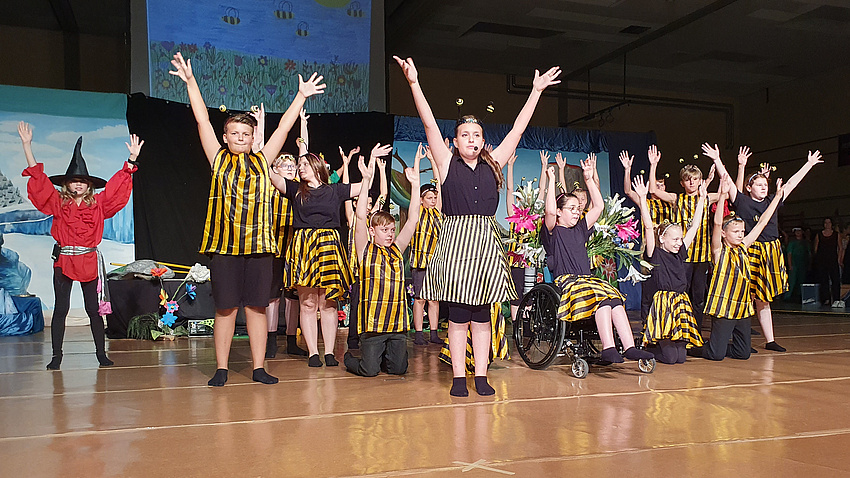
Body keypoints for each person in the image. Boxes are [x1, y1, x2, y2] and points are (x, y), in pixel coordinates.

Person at [394, 55, 561, 397]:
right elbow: (428, 123)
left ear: (483, 141)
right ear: (455, 141)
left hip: (485, 242)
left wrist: (535, 92)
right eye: (464, 135)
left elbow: (517, 130)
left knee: (483, 316)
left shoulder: (494, 163)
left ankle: (481, 375)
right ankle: (459, 377)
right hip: (456, 241)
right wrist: (414, 83)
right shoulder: (446, 163)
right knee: (458, 316)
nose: (471, 139)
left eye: (476, 135)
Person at [170, 51, 325, 385]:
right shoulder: (217, 158)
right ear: (225, 136)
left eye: (246, 134)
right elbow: (201, 120)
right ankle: (222, 368)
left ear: (254, 137)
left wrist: (300, 96)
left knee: (256, 307)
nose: (240, 138)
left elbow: (283, 128)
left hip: (259, 246)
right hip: (225, 246)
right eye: (234, 133)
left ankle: (258, 367)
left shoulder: (263, 159)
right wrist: (191, 82)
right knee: (225, 308)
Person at [18, 121, 141, 370]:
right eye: (74, 181)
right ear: (66, 184)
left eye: (82, 181)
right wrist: (27, 146)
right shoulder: (57, 203)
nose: (78, 185)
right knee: (61, 309)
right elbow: (39, 181)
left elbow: (117, 189)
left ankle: (101, 354)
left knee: (93, 310)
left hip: (87, 261)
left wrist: (131, 160)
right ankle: (56, 356)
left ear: (89, 185)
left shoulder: (98, 204)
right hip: (64, 261)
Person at [703, 144, 823, 350]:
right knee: (741, 294)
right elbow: (727, 180)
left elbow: (791, 183)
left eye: (765, 184)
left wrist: (809, 164)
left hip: (771, 251)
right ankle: (738, 339)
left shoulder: (771, 200)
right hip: (748, 251)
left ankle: (770, 340)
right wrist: (717, 159)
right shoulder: (741, 200)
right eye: (759, 185)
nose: (764, 187)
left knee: (763, 298)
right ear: (749, 187)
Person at [542, 158, 654, 364]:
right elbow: (549, 211)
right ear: (559, 212)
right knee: (601, 297)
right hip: (568, 282)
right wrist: (550, 180)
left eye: (578, 208)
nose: (577, 211)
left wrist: (589, 179)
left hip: (587, 281)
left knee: (615, 299)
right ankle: (608, 348)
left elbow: (599, 206)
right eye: (571, 208)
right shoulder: (553, 231)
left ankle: (629, 347)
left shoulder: (580, 229)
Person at [343, 145, 420, 376]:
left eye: (392, 230)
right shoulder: (365, 250)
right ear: (373, 231)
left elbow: (413, 219)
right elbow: (359, 216)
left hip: (396, 325)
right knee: (369, 371)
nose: (390, 234)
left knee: (399, 370)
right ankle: (349, 358)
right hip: (373, 325)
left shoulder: (396, 249)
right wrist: (367, 179)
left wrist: (416, 184)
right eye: (384, 230)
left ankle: (385, 357)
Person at [701, 175, 784, 361]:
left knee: (743, 354)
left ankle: (719, 345)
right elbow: (717, 223)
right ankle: (701, 348)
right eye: (736, 232)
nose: (740, 235)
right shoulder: (718, 250)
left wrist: (777, 197)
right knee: (716, 355)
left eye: (742, 232)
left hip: (742, 309)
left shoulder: (744, 246)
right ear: (724, 234)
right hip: (724, 308)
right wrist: (722, 196)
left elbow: (762, 222)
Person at [632, 176, 705, 364]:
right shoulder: (655, 253)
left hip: (679, 302)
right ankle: (648, 347)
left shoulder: (680, 253)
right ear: (662, 239)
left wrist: (702, 200)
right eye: (675, 239)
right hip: (663, 304)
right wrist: (642, 199)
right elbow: (649, 227)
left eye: (680, 239)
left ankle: (658, 346)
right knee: (671, 359)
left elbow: (694, 227)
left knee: (681, 358)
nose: (679, 242)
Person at [649, 145, 719, 333]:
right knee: (682, 292)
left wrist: (718, 165)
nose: (691, 182)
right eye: (688, 179)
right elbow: (653, 189)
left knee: (699, 296)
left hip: (702, 255)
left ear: (700, 181)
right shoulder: (676, 199)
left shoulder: (707, 198)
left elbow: (729, 191)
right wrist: (653, 165)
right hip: (682, 255)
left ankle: (695, 330)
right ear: (682, 182)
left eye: (695, 179)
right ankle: (680, 326)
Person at [342, 146, 388, 350]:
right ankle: (353, 339)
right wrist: (346, 164)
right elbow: (346, 193)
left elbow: (384, 193)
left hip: (373, 268)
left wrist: (381, 169)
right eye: (364, 202)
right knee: (356, 304)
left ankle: (370, 338)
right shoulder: (353, 217)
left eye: (370, 202)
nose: (368, 205)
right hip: (356, 269)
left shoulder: (374, 218)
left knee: (372, 303)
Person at [620, 148, 674, 323]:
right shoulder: (646, 201)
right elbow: (628, 191)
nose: (659, 188)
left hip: (667, 249)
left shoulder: (672, 203)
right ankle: (646, 321)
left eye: (662, 185)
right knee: (649, 284)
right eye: (656, 185)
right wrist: (627, 169)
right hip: (649, 247)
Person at [503, 151, 547, 324]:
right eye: (520, 197)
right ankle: (516, 325)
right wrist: (510, 166)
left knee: (529, 293)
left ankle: (528, 324)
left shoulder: (535, 214)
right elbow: (509, 190)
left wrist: (544, 167)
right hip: (515, 260)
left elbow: (542, 191)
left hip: (530, 260)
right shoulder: (512, 214)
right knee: (516, 293)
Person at [410, 143, 444, 345]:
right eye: (429, 198)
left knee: (434, 299)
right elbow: (415, 188)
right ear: (422, 199)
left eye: (434, 198)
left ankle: (433, 333)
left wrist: (433, 161)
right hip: (420, 262)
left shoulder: (437, 213)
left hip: (435, 263)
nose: (432, 200)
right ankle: (418, 334)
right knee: (420, 298)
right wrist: (418, 161)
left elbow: (439, 183)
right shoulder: (417, 211)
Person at [813, 217, 844, 307]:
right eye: (825, 223)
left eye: (829, 222)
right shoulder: (819, 234)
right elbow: (815, 248)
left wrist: (839, 259)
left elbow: (841, 248)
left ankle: (836, 299)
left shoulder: (836, 235)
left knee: (835, 280)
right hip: (822, 260)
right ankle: (826, 299)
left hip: (833, 260)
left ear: (832, 224)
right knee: (823, 280)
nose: (827, 224)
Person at [784, 227, 811, 302]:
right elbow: (789, 254)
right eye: (796, 231)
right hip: (794, 264)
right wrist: (790, 265)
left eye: (799, 231)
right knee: (792, 281)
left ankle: (800, 296)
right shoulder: (792, 243)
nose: (798, 232)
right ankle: (787, 297)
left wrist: (809, 265)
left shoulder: (806, 243)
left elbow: (809, 254)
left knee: (801, 280)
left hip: (803, 264)